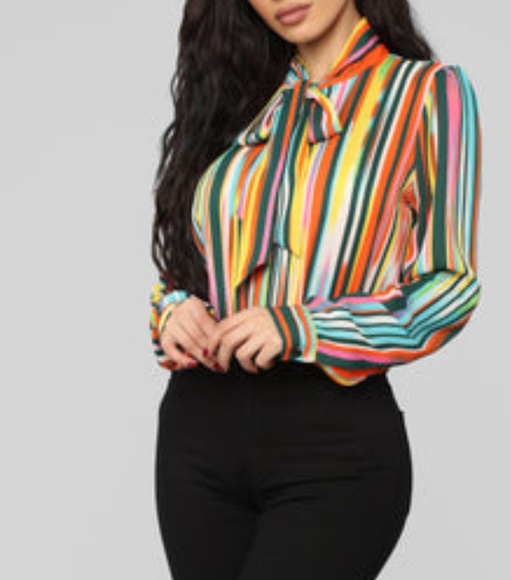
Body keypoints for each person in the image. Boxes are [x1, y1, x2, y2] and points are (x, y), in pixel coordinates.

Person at [149, 1, 482, 579]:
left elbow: (449, 286)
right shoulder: (240, 94)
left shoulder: (427, 94)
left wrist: (300, 326)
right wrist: (173, 311)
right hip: (198, 431)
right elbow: (195, 267)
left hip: (330, 440)